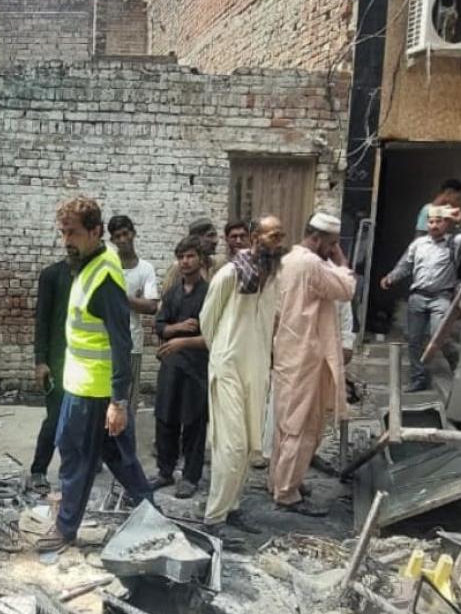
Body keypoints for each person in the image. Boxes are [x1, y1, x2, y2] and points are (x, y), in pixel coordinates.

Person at [36, 198, 152, 552]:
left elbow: (120, 341)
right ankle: (153, 514)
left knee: (74, 459)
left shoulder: (103, 275)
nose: (66, 240)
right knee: (121, 460)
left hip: (93, 392)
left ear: (95, 232)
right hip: (84, 385)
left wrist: (118, 400)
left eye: (73, 232)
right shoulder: (87, 265)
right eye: (62, 232)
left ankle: (65, 529)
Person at [199, 215, 287, 535]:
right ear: (254, 237)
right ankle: (213, 518)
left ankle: (232, 507)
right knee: (231, 446)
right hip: (228, 366)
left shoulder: (274, 276)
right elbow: (208, 320)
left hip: (257, 368)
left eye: (280, 236)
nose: (276, 242)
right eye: (271, 236)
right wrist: (223, 355)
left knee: (250, 446)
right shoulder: (229, 274)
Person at [271, 213, 355, 515]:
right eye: (330, 244)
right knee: (303, 426)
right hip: (306, 355)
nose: (332, 249)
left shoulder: (288, 259)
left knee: (285, 422)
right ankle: (287, 492)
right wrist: (342, 260)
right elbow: (346, 289)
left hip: (288, 351)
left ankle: (281, 480)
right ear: (317, 239)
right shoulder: (311, 263)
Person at [380, 204, 461, 391]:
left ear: (446, 223)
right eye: (431, 221)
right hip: (417, 297)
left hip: (441, 298)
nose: (434, 225)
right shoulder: (418, 244)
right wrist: (391, 277)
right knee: (413, 339)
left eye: (438, 221)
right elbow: (405, 265)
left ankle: (459, 372)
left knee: (439, 335)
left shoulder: (455, 242)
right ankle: (419, 378)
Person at [152, 236, 211, 500]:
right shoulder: (172, 292)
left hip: (197, 366)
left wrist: (179, 336)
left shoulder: (209, 293)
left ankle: (190, 476)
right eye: (181, 257)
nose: (185, 262)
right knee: (166, 418)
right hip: (171, 365)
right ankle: (165, 471)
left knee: (194, 422)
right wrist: (177, 328)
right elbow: (160, 325)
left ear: (200, 259)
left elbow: (213, 334)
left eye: (190, 256)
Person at [107, 215, 159, 415]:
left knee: (128, 403)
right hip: (107, 342)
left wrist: (120, 297)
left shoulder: (145, 269)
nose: (122, 240)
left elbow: (151, 306)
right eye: (116, 236)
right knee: (108, 402)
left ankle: (125, 445)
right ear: (112, 240)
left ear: (133, 234)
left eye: (125, 234)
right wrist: (135, 301)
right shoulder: (108, 266)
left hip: (132, 344)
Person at [31, 255, 72, 495]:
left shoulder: (95, 274)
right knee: (56, 419)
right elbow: (42, 320)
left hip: (89, 363)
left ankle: (85, 467)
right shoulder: (52, 275)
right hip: (57, 361)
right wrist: (41, 361)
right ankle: (38, 470)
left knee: (89, 422)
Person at [160, 217, 225, 293]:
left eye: (215, 236)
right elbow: (166, 298)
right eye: (210, 236)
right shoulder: (179, 268)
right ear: (196, 239)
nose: (215, 241)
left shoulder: (215, 265)